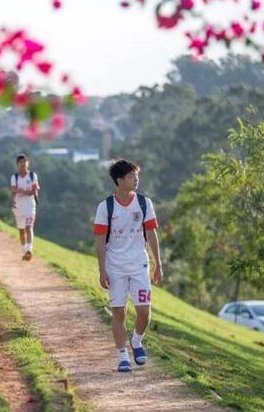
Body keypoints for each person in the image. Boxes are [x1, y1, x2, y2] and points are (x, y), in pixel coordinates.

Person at [93, 159, 163, 372]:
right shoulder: (106, 207)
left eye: (136, 175)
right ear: (119, 180)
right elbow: (99, 240)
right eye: (132, 176)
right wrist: (102, 269)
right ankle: (122, 356)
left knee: (143, 311)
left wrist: (158, 263)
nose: (136, 179)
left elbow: (151, 232)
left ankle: (137, 341)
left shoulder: (144, 203)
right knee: (119, 312)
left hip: (139, 264)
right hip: (115, 266)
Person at [10, 154, 40, 261]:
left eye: (24, 162)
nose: (22, 164)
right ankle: (24, 250)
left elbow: (33, 191)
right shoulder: (14, 177)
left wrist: (21, 191)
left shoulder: (32, 176)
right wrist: (13, 199)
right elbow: (13, 191)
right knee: (21, 230)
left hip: (30, 206)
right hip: (18, 207)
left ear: (28, 163)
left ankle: (29, 250)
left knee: (29, 227)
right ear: (17, 164)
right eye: (20, 162)